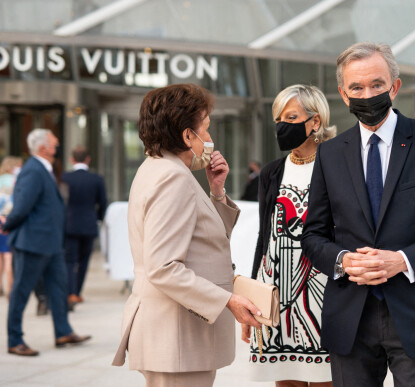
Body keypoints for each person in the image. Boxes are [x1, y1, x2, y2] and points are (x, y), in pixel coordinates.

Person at [301, 42, 415, 387]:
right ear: (344, 94)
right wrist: (344, 261)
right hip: (350, 316)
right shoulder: (330, 154)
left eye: (377, 85)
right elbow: (313, 235)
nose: (367, 94)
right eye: (357, 87)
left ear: (394, 86)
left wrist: (402, 260)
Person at [112, 83, 262, 387]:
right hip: (177, 337)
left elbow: (206, 240)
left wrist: (217, 192)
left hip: (175, 336)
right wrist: (227, 301)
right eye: (205, 128)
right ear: (187, 136)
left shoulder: (160, 169)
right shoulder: (172, 178)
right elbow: (163, 267)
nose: (209, 138)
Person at [242, 85, 336, 386]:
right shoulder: (271, 172)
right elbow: (264, 236)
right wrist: (252, 296)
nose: (282, 126)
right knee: (284, 380)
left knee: (326, 378)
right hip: (275, 289)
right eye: (278, 119)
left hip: (322, 292)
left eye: (291, 116)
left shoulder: (337, 165)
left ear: (315, 121)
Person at [1, 129, 91, 357]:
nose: (58, 143)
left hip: (50, 243)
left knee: (58, 289)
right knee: (21, 292)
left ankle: (63, 332)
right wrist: (7, 224)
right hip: (32, 242)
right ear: (43, 147)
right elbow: (22, 206)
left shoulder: (43, 168)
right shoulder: (33, 170)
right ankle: (14, 340)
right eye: (53, 141)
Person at [61, 146, 107, 309]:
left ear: (72, 159)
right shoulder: (96, 179)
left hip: (69, 224)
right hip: (88, 224)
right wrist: (99, 219)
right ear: (88, 159)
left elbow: (61, 202)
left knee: (69, 260)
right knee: (84, 260)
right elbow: (102, 203)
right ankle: (78, 293)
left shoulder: (65, 177)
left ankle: (71, 292)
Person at [0, 156, 23, 298]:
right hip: (8, 219)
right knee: (9, 257)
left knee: (0, 257)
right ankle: (10, 288)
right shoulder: (15, 181)